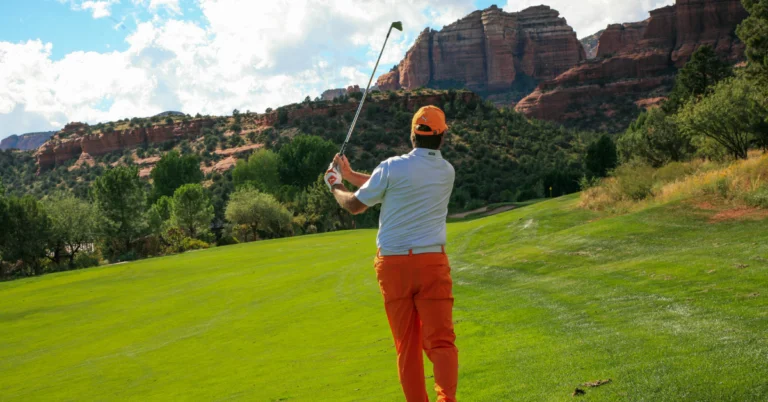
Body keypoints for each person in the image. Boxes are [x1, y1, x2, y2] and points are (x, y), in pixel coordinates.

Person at [324, 105, 458, 402]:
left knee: (407, 345)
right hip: (432, 263)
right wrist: (349, 174)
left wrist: (336, 184)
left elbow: (357, 204)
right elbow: (390, 184)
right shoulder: (446, 171)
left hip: (393, 266)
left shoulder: (391, 167)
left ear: (412, 135)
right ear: (442, 137)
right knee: (441, 342)